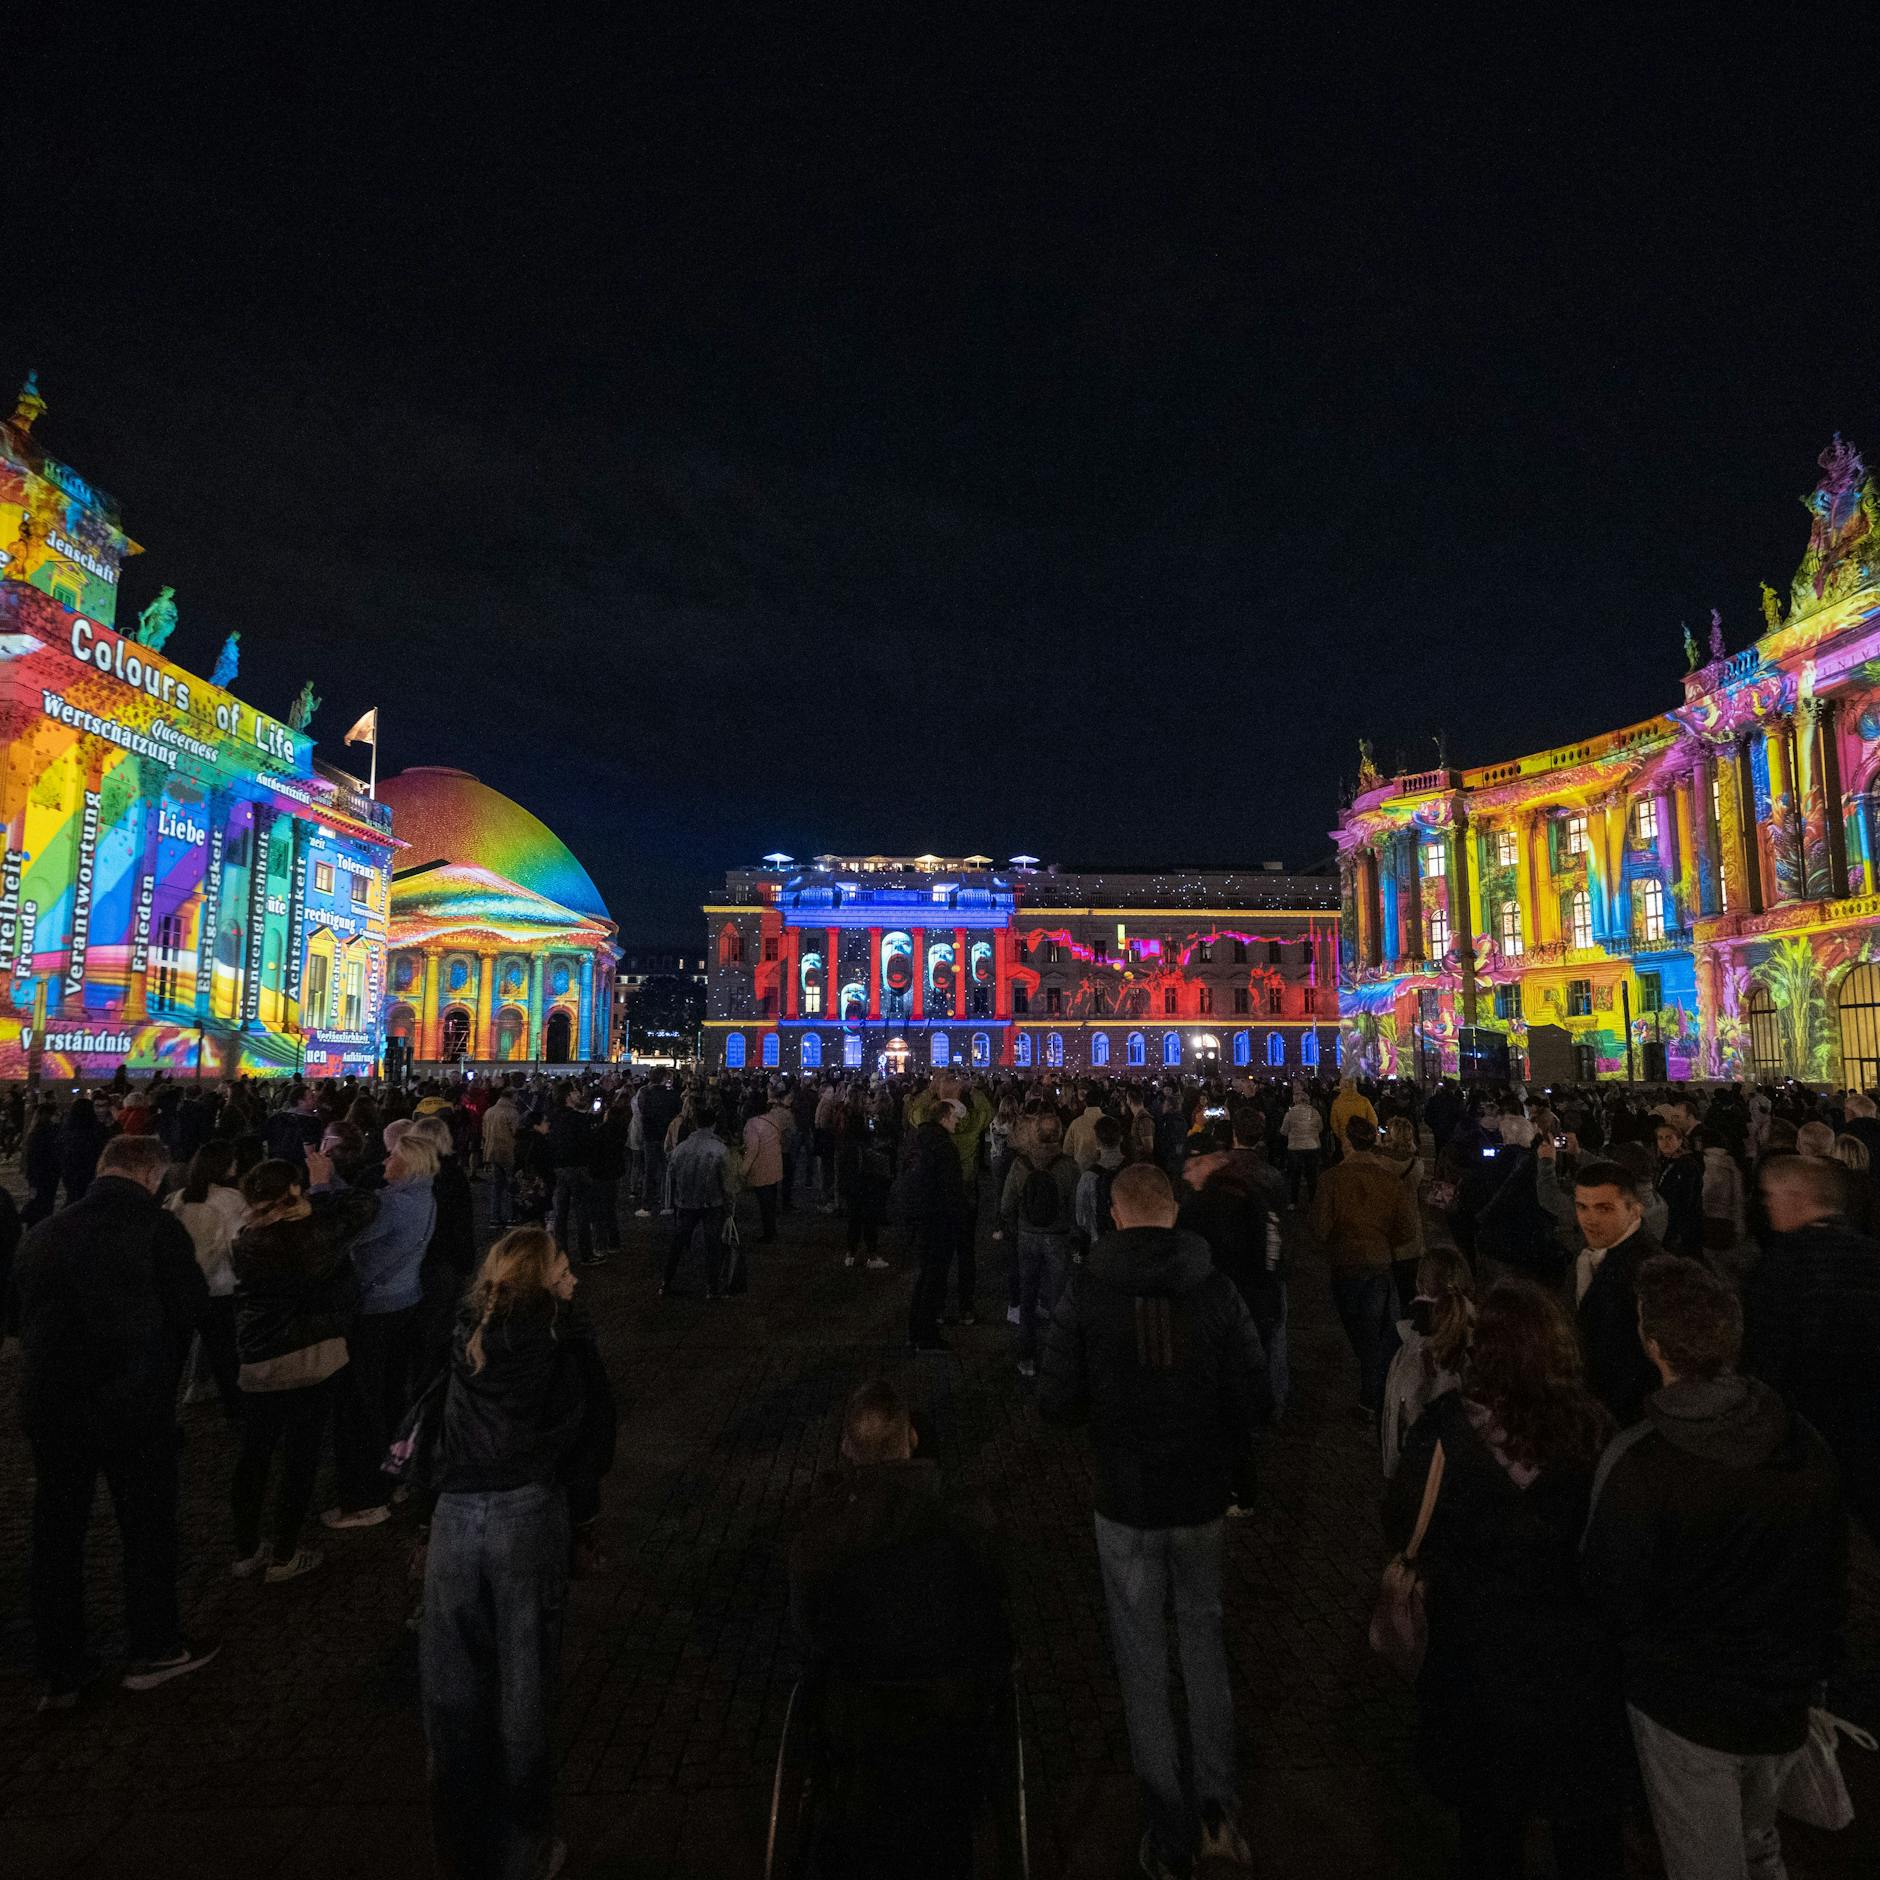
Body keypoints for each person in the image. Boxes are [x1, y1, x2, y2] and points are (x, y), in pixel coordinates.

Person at [1582, 1255, 1847, 1880]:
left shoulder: (1642, 1463)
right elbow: (1829, 1561)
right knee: (1759, 1843)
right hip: (1782, 1697)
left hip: (1688, 1708)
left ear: (1652, 1345)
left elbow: (1608, 1591)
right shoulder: (1801, 1440)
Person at [1038, 1162, 1267, 1880]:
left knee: (1142, 1661)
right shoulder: (1218, 1289)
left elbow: (1053, 1403)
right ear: (1174, 1213)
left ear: (1114, 1214)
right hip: (1200, 1496)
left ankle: (1166, 1830)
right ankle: (1217, 1814)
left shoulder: (1086, 1290)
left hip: (1127, 1496)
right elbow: (1256, 1400)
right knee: (1204, 1646)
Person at [1385, 1282, 1625, 1876]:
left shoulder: (1447, 1429)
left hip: (1476, 1651)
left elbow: (1401, 1522)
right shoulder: (1592, 1427)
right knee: (1583, 1828)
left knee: (1489, 1828)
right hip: (1575, 1657)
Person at [423, 1227, 615, 1880]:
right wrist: (583, 1514)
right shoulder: (563, 1338)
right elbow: (595, 1434)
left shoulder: (465, 1328)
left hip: (455, 1512)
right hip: (525, 1513)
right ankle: (524, 1849)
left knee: (451, 1696)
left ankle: (459, 1849)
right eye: (564, 1267)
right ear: (543, 1278)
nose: (574, 1275)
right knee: (522, 1694)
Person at [15, 1135, 216, 1707]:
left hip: (51, 1403)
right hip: (130, 1402)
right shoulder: (156, 1230)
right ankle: (154, 1645)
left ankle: (61, 1667)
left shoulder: (47, 1231)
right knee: (147, 1529)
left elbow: (16, 1315)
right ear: (153, 1176)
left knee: (57, 1533)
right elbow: (193, 1309)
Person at [787, 1378, 1014, 1880]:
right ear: (911, 1440)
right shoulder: (966, 1523)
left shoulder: (820, 1535)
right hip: (951, 1715)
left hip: (854, 1720)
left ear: (848, 1449)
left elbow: (806, 1637)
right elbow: (996, 1624)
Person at [230, 1153, 380, 1583]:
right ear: (293, 1192)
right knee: (300, 1457)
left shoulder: (246, 1240)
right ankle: (284, 1551)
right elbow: (364, 1206)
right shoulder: (313, 1235)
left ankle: (246, 1548)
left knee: (254, 1456)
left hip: (260, 1356)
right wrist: (322, 1182)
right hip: (313, 1352)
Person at [1743, 1152, 1880, 1543]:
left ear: (1796, 1197)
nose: (1766, 1205)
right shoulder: (1869, 1254)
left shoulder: (1781, 1268)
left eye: (1771, 1196)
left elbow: (1765, 1357)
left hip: (1809, 1425)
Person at [326, 1131, 440, 1530]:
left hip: (375, 1311)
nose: (384, 1162)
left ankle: (367, 1495)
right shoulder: (424, 1197)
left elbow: (343, 1228)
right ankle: (394, 1476)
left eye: (392, 1156)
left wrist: (325, 1184)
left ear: (408, 1164)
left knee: (361, 1402)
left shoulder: (392, 1206)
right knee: (391, 1395)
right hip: (406, 1301)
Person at [1308, 1118, 1416, 1417]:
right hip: (1380, 1263)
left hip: (1347, 1263)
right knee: (1379, 1331)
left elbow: (1319, 1228)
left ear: (1347, 1142)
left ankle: (1373, 1395)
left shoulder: (1332, 1179)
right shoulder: (1390, 1180)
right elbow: (1406, 1231)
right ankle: (1381, 1391)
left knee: (1363, 1334)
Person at [1570, 1159, 1662, 1427]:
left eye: (1604, 1209)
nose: (1590, 1220)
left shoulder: (1646, 1272)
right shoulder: (1597, 1255)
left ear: (1635, 1211)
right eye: (1582, 1207)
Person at [167, 1141, 250, 1421]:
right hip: (221, 1286)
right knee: (226, 1354)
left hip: (184, 1285)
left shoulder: (178, 1199)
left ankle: (169, 1413)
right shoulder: (231, 1200)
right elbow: (238, 1243)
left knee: (177, 1354)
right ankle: (237, 1413)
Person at [905, 1070, 992, 1323]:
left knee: (937, 1255)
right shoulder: (971, 1120)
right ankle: (966, 1307)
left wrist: (931, 1090)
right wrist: (971, 1089)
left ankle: (938, 1307)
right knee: (966, 1252)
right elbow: (988, 1112)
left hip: (938, 1193)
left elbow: (914, 1112)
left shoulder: (928, 1119)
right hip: (965, 1190)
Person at [1379, 1246, 1474, 1478]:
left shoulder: (1401, 1337)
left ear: (1420, 1285)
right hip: (1459, 1467)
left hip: (1411, 1465)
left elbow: (1381, 1394)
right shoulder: (1479, 1340)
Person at [906, 1098, 967, 1352]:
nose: (957, 1122)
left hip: (919, 1216)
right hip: (939, 1220)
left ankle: (916, 1329)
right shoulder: (944, 1146)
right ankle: (927, 1335)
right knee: (934, 1278)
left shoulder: (917, 1139)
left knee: (923, 1276)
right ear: (943, 1117)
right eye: (954, 1118)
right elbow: (952, 1190)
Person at [662, 1102, 732, 1297]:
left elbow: (672, 1174)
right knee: (713, 1246)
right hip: (712, 1202)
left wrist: (672, 1202)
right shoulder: (719, 1149)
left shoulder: (682, 1148)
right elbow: (727, 1181)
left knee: (678, 1243)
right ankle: (712, 1287)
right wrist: (730, 1205)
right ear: (714, 1125)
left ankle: (666, 1281)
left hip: (685, 1202)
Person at [835, 1088, 892, 1270]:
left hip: (849, 1172)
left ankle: (850, 1254)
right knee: (869, 1216)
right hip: (865, 1172)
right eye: (867, 1102)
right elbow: (871, 1141)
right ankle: (872, 1255)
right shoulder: (863, 1121)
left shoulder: (843, 1117)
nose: (870, 1104)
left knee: (854, 1217)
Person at [545, 1085, 596, 1265]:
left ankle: (561, 1252)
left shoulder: (551, 1117)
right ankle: (586, 1253)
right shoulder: (577, 1119)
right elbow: (587, 1144)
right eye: (575, 1092)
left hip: (558, 1168)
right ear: (568, 1097)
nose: (579, 1094)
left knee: (560, 1212)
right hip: (577, 1167)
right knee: (582, 1211)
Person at [481, 1084, 521, 1229]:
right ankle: (512, 1216)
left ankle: (495, 1217)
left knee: (496, 1186)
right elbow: (516, 1133)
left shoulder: (489, 1111)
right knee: (512, 1186)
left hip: (492, 1151)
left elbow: (484, 1133)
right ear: (512, 1097)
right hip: (508, 1152)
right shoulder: (512, 1113)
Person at [1280, 1083, 1323, 1205]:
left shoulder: (1290, 1113)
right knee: (1312, 1175)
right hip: (1312, 1145)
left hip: (1295, 1147)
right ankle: (1313, 1201)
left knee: (1295, 1175)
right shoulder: (1315, 1112)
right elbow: (1320, 1128)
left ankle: (1293, 1202)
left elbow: (1283, 1130)